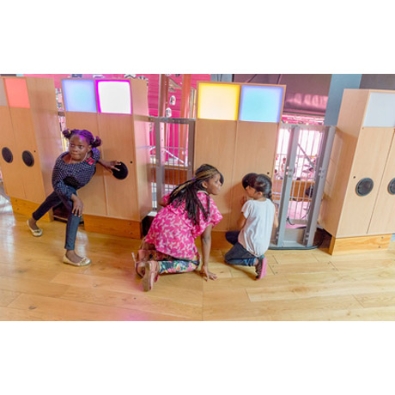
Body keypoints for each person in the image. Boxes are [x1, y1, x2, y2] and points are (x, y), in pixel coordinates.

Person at [26, 128, 120, 266]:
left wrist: (103, 162)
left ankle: (32, 220)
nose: (75, 149)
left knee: (50, 201)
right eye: (72, 145)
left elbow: (96, 157)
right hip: (65, 187)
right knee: (75, 211)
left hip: (75, 185)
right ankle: (69, 253)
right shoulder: (62, 164)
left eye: (80, 146)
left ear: (89, 148)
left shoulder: (93, 154)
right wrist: (75, 199)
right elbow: (56, 184)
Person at [133, 164, 223, 292]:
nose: (219, 184)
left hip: (159, 222)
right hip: (176, 231)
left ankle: (146, 254)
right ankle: (157, 266)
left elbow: (161, 201)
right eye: (216, 181)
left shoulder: (184, 192)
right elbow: (206, 238)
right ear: (205, 184)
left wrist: (178, 213)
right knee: (193, 262)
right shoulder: (209, 205)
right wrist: (205, 266)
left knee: (172, 249)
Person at [224, 173, 278, 280]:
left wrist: (243, 209)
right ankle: (259, 255)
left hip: (250, 245)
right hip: (262, 246)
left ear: (259, 193)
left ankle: (255, 261)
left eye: (250, 187)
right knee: (229, 235)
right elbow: (276, 225)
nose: (247, 188)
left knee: (228, 258)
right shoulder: (271, 204)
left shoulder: (250, 204)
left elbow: (239, 225)